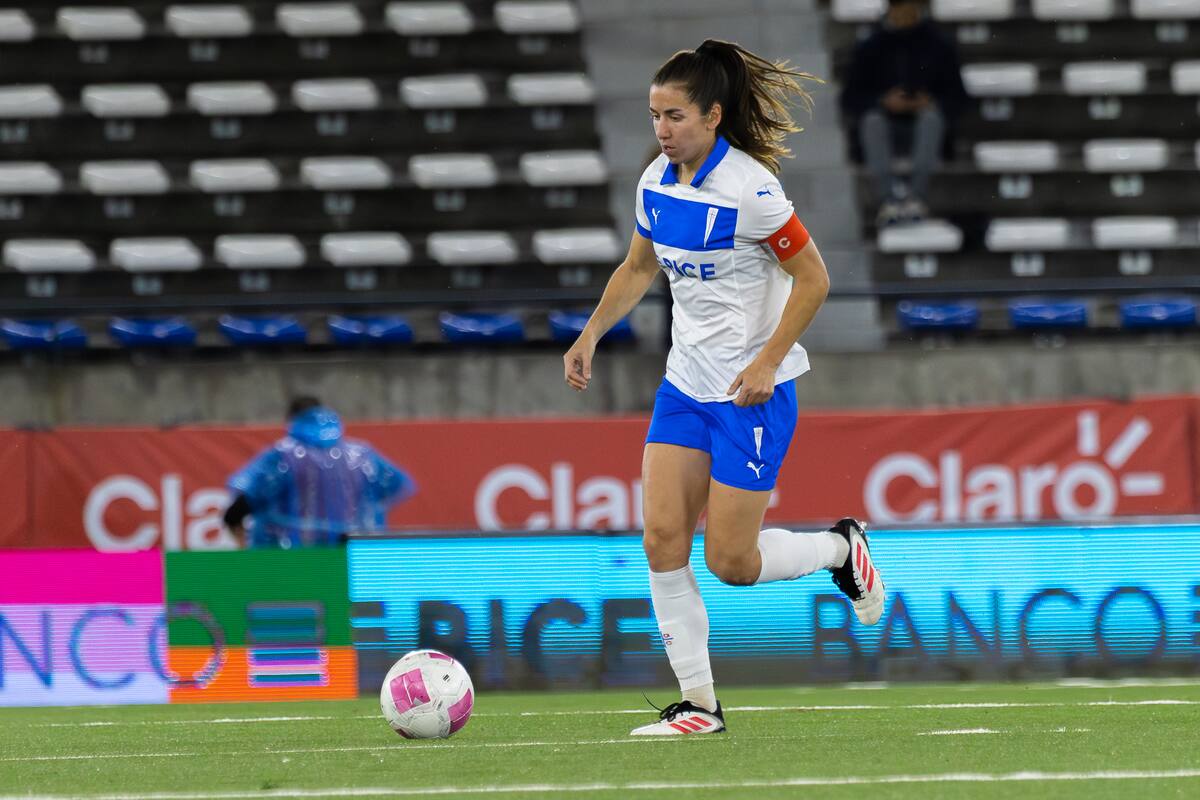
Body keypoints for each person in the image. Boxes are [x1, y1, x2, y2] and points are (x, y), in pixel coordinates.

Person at [562, 39, 886, 736]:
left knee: (732, 563)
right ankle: (700, 706)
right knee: (661, 541)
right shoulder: (656, 181)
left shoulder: (751, 189)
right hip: (684, 387)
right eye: (655, 116)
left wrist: (767, 362)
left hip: (749, 395)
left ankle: (841, 548)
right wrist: (590, 334)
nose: (662, 129)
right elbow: (638, 267)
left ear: (712, 116)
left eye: (675, 116)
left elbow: (814, 279)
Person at [222, 396, 415, 548]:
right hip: (351, 555)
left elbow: (250, 497)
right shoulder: (362, 455)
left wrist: (234, 522)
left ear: (291, 420)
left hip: (291, 560)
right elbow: (394, 485)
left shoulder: (282, 455)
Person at [839, 0, 968, 226]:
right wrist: (883, 101)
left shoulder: (939, 45)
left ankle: (916, 199)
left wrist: (929, 102)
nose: (903, 15)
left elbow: (959, 98)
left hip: (927, 129)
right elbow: (850, 99)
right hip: (884, 125)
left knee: (931, 119)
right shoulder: (870, 46)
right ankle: (887, 201)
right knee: (872, 121)